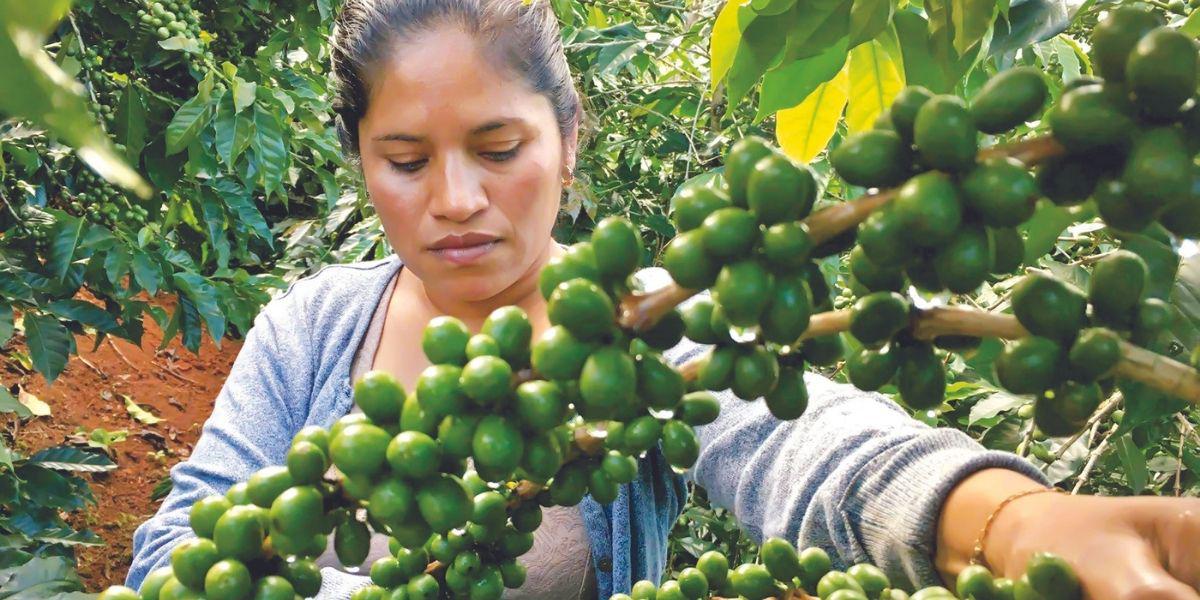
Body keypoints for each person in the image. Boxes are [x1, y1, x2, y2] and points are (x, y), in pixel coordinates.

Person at [126, 1, 1200, 598]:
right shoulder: (311, 328)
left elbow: (806, 441)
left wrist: (1011, 521)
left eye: (498, 149)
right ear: (361, 160)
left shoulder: (643, 325)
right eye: (405, 160)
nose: (455, 200)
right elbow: (176, 556)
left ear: (567, 140)